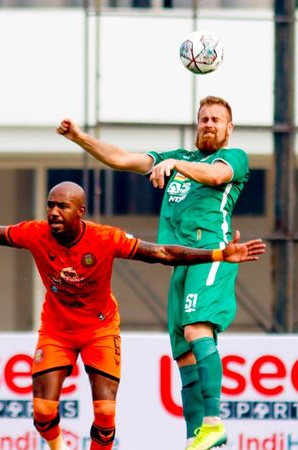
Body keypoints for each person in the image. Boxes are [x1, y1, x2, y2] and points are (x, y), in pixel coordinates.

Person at [0, 181, 263, 450]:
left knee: (104, 416)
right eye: (50, 205)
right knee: (43, 410)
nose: (52, 212)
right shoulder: (35, 234)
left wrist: (216, 255)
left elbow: (160, 253)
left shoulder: (104, 238)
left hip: (100, 330)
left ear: (80, 211)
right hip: (57, 331)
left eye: (61, 206)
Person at [57, 95, 248, 450]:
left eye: (216, 120)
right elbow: (122, 158)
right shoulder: (178, 158)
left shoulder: (233, 158)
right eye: (203, 118)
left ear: (229, 128)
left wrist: (175, 163)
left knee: (196, 328)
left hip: (211, 256)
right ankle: (197, 439)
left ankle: (214, 422)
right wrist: (81, 137)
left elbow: (216, 174)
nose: (208, 124)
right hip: (179, 264)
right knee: (184, 354)